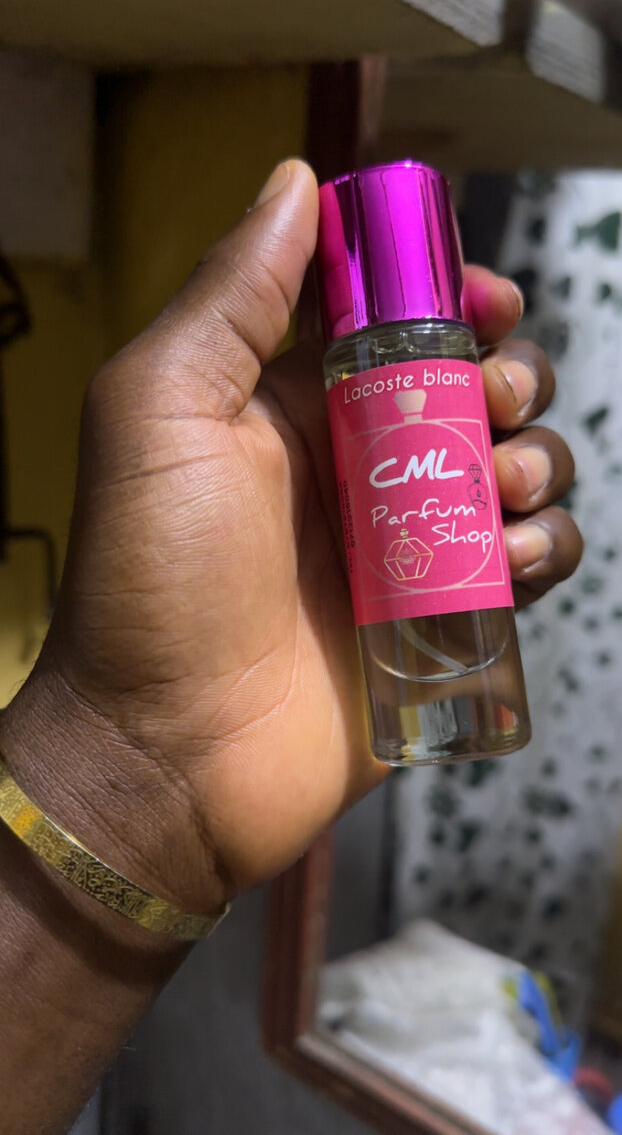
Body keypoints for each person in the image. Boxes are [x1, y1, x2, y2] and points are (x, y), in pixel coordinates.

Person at [0, 160, 582, 1135]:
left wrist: (141, 799)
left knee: (495, 493)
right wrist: (132, 770)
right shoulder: (361, 363)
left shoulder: (437, 351)